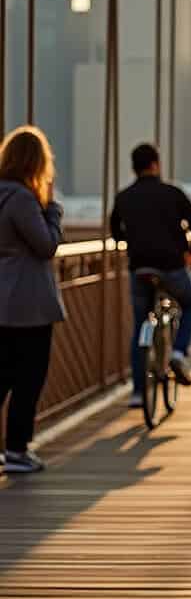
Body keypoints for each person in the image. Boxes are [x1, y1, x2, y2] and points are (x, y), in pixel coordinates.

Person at [111, 143, 191, 406]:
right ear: (155, 164)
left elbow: (116, 232)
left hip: (139, 267)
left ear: (134, 168)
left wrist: (133, 239)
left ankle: (138, 394)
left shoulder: (123, 197)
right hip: (172, 266)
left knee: (141, 325)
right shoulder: (171, 193)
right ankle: (178, 352)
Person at [0, 127, 64, 473]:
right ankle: (17, 450)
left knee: (2, 376)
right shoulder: (23, 199)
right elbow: (46, 245)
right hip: (27, 304)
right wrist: (52, 210)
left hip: (2, 301)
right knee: (29, 378)